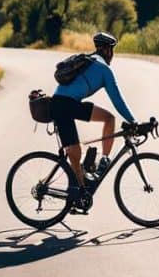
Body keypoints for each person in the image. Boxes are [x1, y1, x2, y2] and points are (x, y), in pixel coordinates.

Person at [50, 31, 135, 207]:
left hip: (67, 104)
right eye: (112, 49)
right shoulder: (104, 71)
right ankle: (80, 194)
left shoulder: (89, 62)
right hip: (63, 106)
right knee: (75, 151)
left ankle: (102, 161)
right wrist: (133, 122)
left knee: (108, 119)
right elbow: (117, 100)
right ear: (105, 50)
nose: (113, 54)